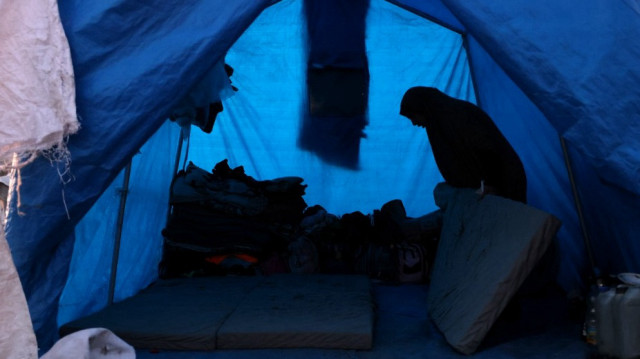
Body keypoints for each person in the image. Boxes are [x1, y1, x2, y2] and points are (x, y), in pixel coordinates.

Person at [400, 86, 527, 203]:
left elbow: (489, 150)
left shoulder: (458, 117)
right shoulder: (441, 122)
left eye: (413, 116)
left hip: (502, 183)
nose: (414, 123)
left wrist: (490, 184)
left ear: (424, 108)